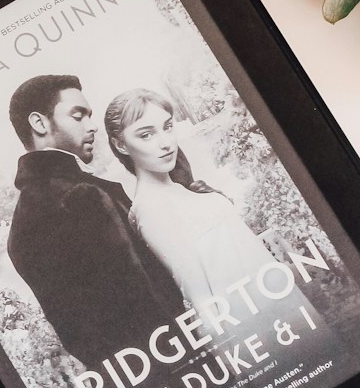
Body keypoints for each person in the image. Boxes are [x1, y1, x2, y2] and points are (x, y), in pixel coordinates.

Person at [5, 74, 186, 376]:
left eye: (90, 115)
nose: (92, 126)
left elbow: (77, 329)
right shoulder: (79, 196)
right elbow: (146, 302)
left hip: (124, 385)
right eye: (78, 116)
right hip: (173, 372)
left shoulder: (23, 218)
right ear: (39, 124)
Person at [103, 87, 319, 339]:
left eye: (168, 127)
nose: (165, 143)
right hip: (255, 328)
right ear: (121, 145)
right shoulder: (151, 208)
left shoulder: (180, 191)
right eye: (146, 135)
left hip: (281, 306)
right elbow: (201, 301)